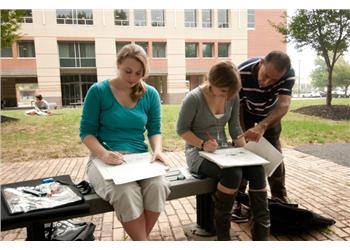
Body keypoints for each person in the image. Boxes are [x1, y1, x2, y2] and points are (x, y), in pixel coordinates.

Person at [79, 44, 170, 241]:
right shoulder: (98, 91)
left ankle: (140, 240)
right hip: (103, 159)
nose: (133, 78)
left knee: (159, 186)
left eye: (139, 73)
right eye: (128, 71)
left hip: (139, 160)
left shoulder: (150, 94)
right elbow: (86, 133)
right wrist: (104, 154)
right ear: (118, 65)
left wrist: (157, 150)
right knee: (126, 192)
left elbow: (155, 130)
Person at [176, 61, 270, 241]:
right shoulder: (194, 98)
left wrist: (247, 153)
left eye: (232, 92)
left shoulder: (232, 96)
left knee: (258, 170)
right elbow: (182, 130)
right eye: (224, 91)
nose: (228, 96)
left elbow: (235, 128)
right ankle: (223, 238)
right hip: (198, 153)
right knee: (233, 174)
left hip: (225, 152)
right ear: (212, 82)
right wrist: (203, 144)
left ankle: (262, 238)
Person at [237, 51, 295, 205]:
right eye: (265, 75)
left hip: (271, 113)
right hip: (246, 110)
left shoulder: (288, 74)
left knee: (273, 152)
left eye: (273, 79)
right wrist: (242, 135)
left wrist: (263, 125)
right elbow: (237, 106)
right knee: (243, 149)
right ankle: (239, 196)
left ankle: (279, 195)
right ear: (261, 62)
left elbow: (283, 104)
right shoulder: (241, 72)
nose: (266, 82)